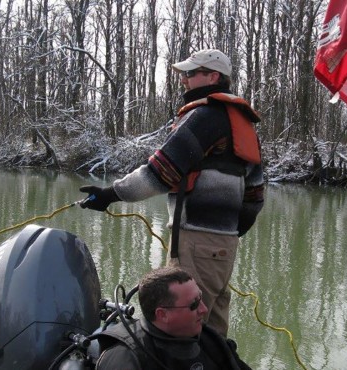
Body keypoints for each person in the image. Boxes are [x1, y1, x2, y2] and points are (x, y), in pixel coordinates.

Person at [79, 49, 264, 337]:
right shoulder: (243, 124)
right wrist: (227, 232)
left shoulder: (204, 117)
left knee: (181, 328)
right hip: (224, 246)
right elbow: (255, 196)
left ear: (213, 76)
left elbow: (159, 173)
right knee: (211, 329)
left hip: (197, 242)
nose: (183, 80)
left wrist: (109, 194)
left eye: (191, 73)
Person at [95, 266, 252, 370]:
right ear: (162, 314)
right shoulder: (125, 357)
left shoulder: (209, 340)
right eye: (193, 305)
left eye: (201, 298)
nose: (204, 309)